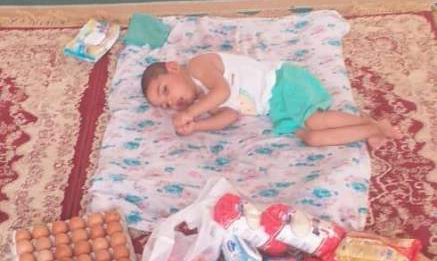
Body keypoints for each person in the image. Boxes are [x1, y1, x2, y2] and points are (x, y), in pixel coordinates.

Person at [141, 52, 400, 148]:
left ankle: (376, 125)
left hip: (282, 82)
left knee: (314, 121)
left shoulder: (198, 67)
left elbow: (223, 91)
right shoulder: (203, 102)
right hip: (275, 107)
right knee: (312, 137)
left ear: (173, 67)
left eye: (165, 90)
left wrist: (191, 113)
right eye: (165, 105)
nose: (171, 102)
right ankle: (372, 129)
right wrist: (197, 126)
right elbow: (229, 116)